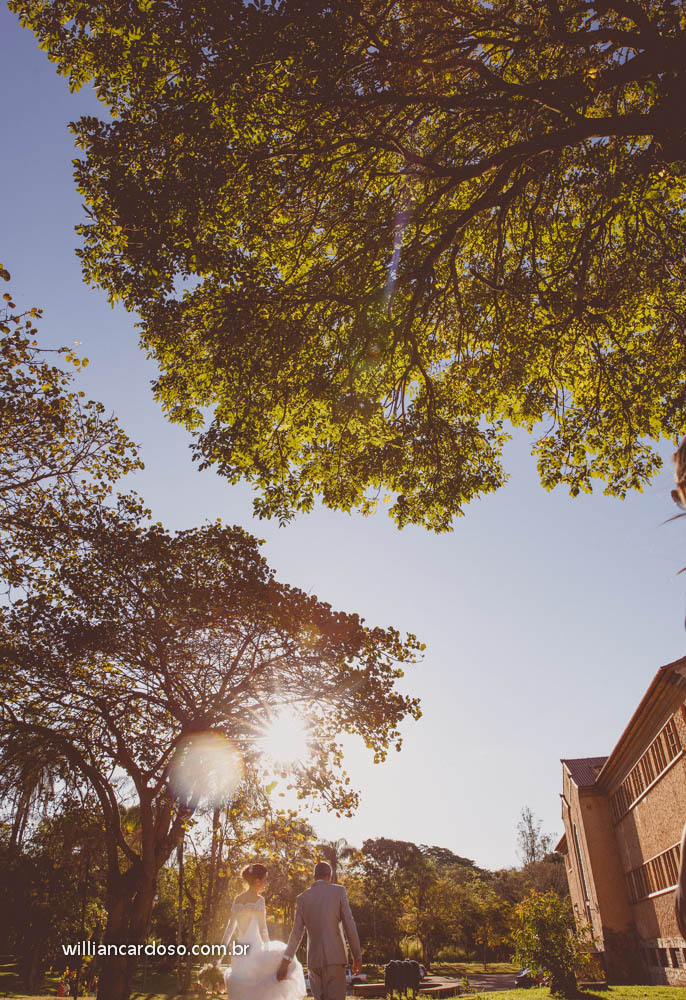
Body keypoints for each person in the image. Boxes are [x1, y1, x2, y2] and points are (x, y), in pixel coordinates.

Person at [217, 863, 305, 1000]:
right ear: (257, 881)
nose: (267, 883)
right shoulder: (259, 901)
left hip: (239, 952)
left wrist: (218, 958)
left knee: (243, 992)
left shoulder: (237, 900)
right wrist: (269, 950)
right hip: (255, 950)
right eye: (265, 880)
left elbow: (229, 931)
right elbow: (263, 930)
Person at [277, 861, 362, 1000]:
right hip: (335, 959)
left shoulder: (302, 898)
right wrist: (357, 956)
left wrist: (286, 960)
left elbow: (296, 933)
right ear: (329, 876)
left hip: (314, 962)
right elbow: (349, 924)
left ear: (314, 877)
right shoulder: (339, 891)